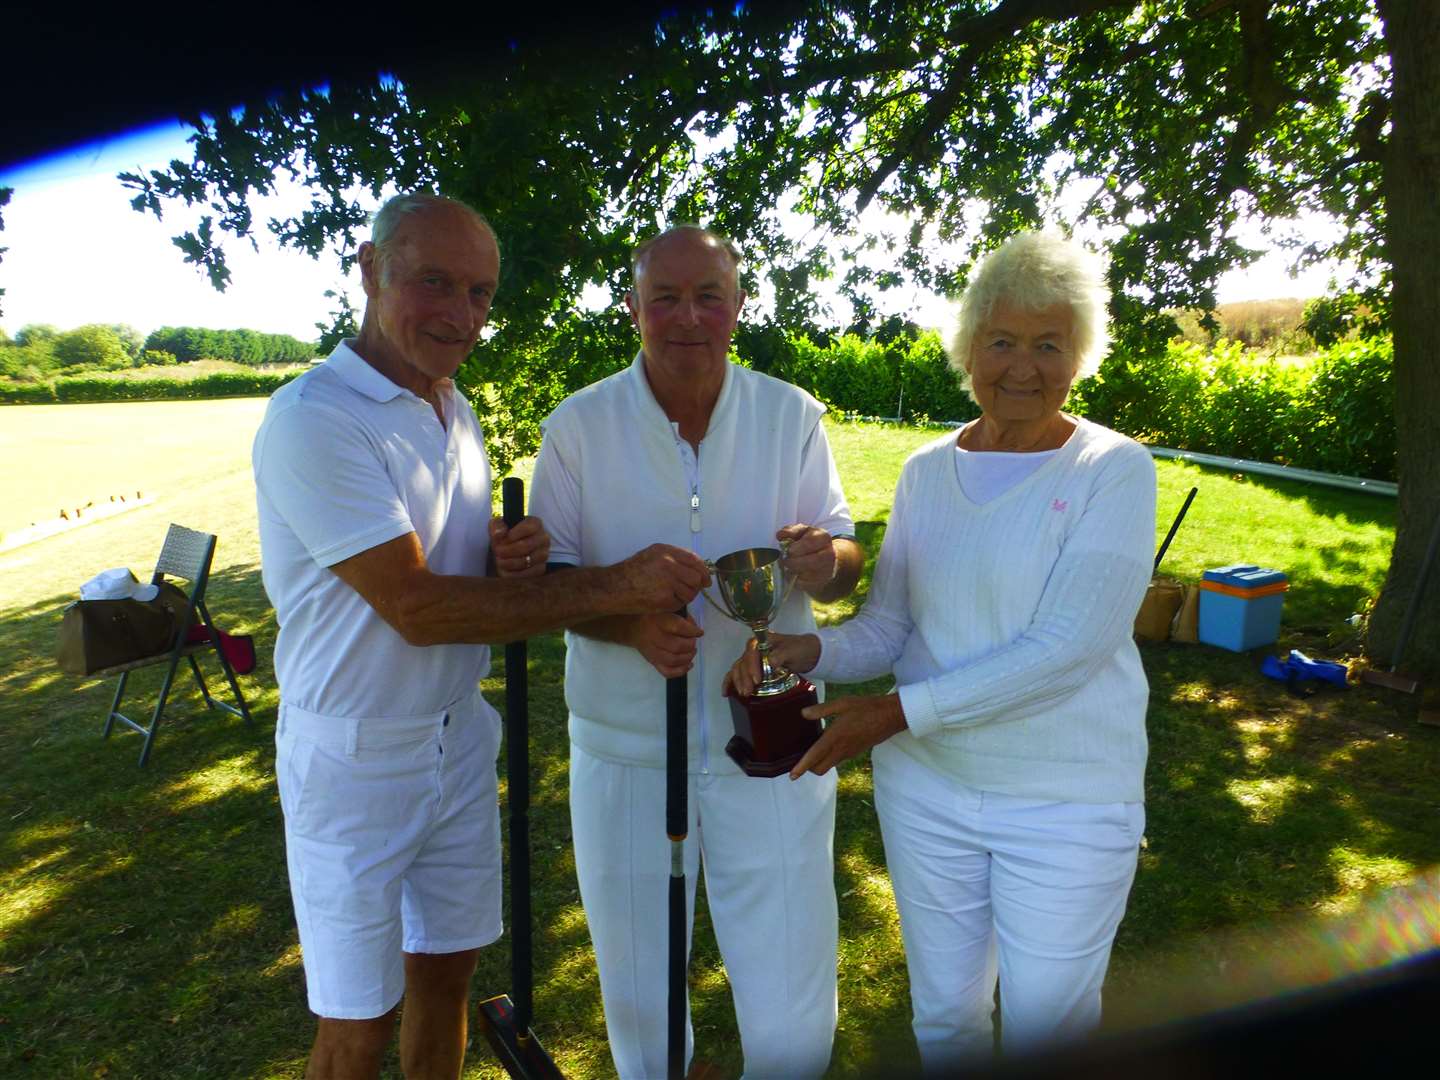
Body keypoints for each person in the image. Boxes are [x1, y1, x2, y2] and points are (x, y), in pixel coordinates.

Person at [252, 192, 709, 1080]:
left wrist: (512, 557)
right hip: (354, 759)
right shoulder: (317, 417)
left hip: (459, 738)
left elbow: (455, 572)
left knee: (447, 980)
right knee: (357, 1023)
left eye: (480, 293)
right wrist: (616, 585)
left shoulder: (450, 406)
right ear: (369, 270)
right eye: (435, 282)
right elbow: (419, 608)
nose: (461, 315)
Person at [726, 229, 1156, 1070]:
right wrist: (799, 651)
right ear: (968, 350)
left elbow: (1066, 649)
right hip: (928, 796)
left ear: (1079, 356)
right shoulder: (927, 470)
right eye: (1000, 341)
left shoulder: (1111, 468)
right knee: (946, 1025)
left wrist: (892, 715)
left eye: (1047, 344)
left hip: (1064, 803)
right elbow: (891, 628)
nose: (1022, 366)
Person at [527, 224, 865, 1078]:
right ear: (633, 306)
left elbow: (843, 559)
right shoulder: (577, 425)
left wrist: (828, 563)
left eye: (709, 295)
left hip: (776, 735)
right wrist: (628, 620)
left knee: (790, 960)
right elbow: (550, 580)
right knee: (640, 974)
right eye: (666, 297)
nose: (688, 317)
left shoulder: (789, 413)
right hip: (626, 742)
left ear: (739, 305)